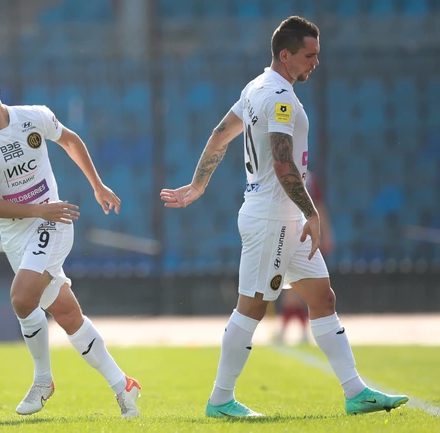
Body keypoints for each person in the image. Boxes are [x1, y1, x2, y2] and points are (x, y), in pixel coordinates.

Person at [160, 16, 408, 417]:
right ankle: (220, 399)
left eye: (317, 55)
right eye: (309, 56)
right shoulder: (279, 98)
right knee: (252, 306)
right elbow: (282, 163)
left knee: (322, 297)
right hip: (272, 219)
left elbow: (221, 133)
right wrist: (312, 212)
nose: (316, 62)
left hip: (283, 218)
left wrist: (198, 184)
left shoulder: (254, 88)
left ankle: (355, 392)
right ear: (286, 54)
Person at [0, 66, 141, 418]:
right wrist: (36, 209)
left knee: (22, 298)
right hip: (16, 234)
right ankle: (123, 385)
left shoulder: (34, 117)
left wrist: (97, 185)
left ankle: (43, 381)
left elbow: (70, 140)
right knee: (68, 315)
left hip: (53, 220)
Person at [276, 171, 334, 345]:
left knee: (296, 289)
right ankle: (298, 330)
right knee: (292, 288)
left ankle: (293, 330)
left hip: (304, 235)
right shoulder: (280, 173)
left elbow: (319, 207)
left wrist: (327, 235)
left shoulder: (309, 178)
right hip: (286, 234)